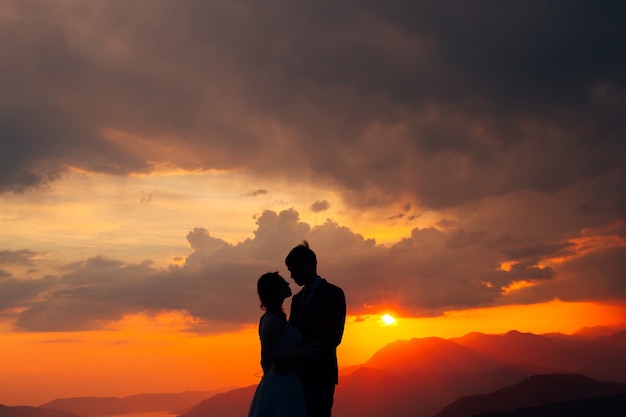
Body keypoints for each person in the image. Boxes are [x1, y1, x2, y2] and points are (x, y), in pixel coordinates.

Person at [286, 241, 346, 417]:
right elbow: (293, 332)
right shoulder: (296, 300)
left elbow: (334, 335)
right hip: (298, 373)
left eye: (293, 270)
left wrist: (307, 353)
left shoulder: (334, 293)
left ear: (308, 266)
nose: (292, 276)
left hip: (321, 372)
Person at [248, 272, 316, 417]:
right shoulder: (273, 321)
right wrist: (303, 352)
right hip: (282, 383)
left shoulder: (272, 318)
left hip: (284, 379)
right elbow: (268, 355)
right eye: (283, 282)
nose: (287, 283)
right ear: (276, 290)